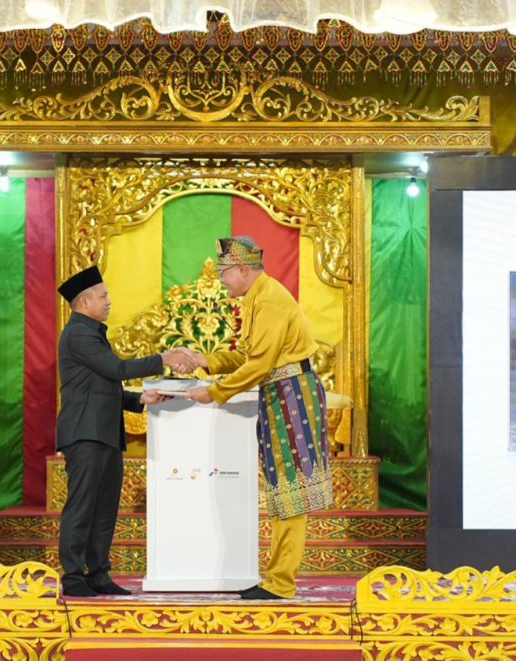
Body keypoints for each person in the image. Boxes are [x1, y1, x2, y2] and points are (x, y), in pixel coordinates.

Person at [182, 236, 333, 600]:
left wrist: (215, 392)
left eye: (224, 273)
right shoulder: (255, 298)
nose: (221, 280)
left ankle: (281, 583)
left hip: (292, 393)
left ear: (242, 270)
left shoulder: (268, 300)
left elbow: (261, 365)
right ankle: (276, 579)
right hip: (280, 393)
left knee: (292, 490)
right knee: (282, 489)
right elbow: (250, 356)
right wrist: (206, 361)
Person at [56, 264, 194, 597]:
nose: (108, 301)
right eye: (103, 296)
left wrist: (140, 399)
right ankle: (74, 576)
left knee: (104, 508)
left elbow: (103, 385)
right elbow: (115, 369)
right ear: (84, 301)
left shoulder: (93, 332)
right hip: (86, 433)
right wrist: (163, 357)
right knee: (83, 505)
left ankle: (98, 573)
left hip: (103, 432)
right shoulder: (78, 333)